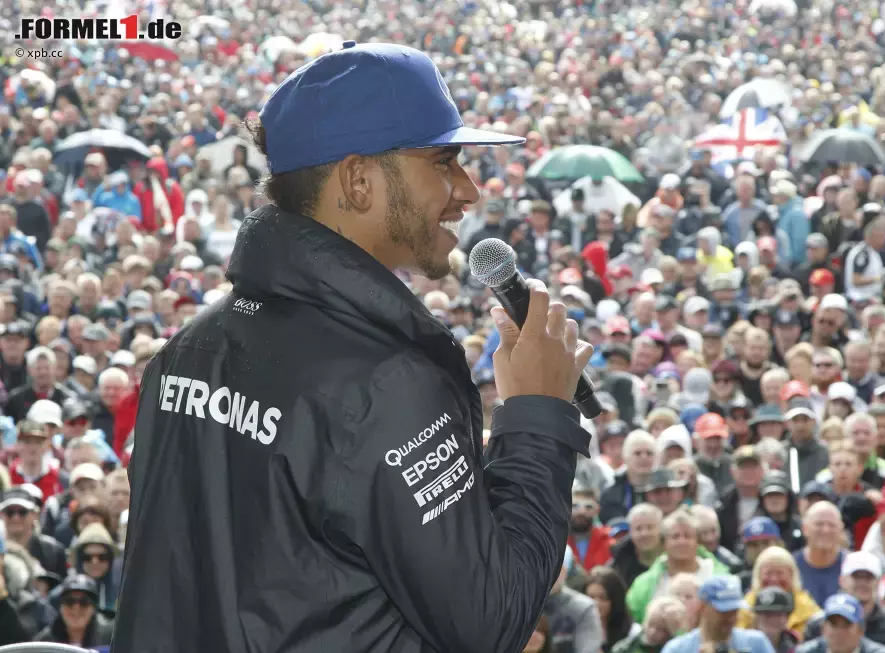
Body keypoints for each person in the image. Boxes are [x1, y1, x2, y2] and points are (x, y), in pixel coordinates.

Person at [113, 43, 596, 653]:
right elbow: (492, 621)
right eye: (444, 161)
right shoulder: (387, 382)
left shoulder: (187, 349)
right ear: (359, 181)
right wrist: (536, 417)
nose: (469, 191)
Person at [660, 575, 775, 653]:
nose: (731, 618)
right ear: (703, 607)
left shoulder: (756, 643)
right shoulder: (677, 649)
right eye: (724, 612)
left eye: (735, 611)